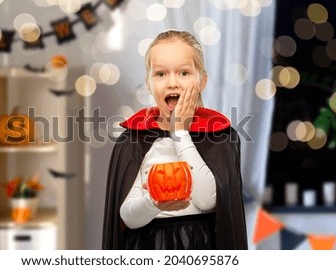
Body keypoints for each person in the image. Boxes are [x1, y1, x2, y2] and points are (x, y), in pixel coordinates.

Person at [102, 30, 247, 250]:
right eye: (160, 74)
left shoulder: (221, 136)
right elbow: (128, 217)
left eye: (184, 73)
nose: (172, 83)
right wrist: (153, 203)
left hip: (200, 245)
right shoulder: (134, 139)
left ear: (202, 81)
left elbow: (208, 200)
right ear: (149, 83)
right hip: (148, 246)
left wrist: (179, 133)